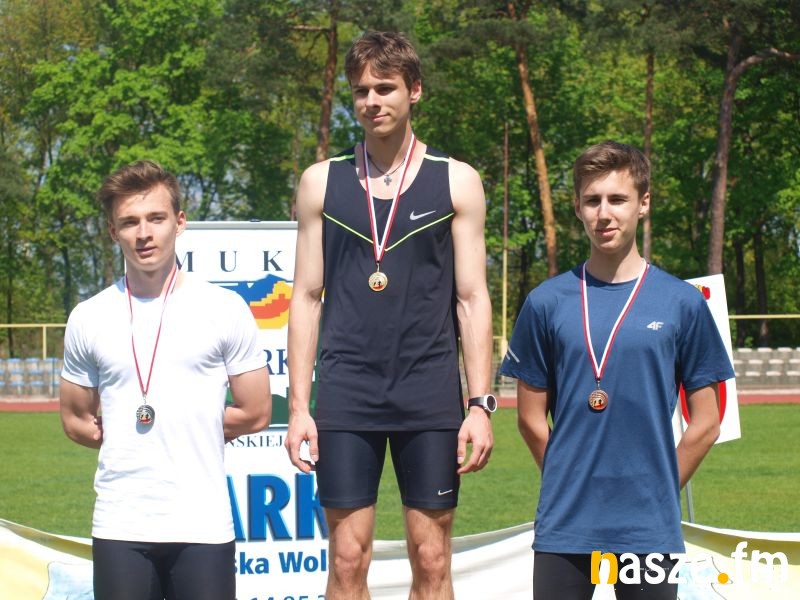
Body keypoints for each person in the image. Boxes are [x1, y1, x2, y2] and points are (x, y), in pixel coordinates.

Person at [285, 31, 495, 599]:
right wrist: (299, 407)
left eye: (385, 88)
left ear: (415, 90)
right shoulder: (320, 182)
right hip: (347, 390)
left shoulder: (457, 180)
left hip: (428, 389)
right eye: (361, 91)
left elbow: (472, 298)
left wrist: (480, 405)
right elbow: (305, 297)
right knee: (347, 558)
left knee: (431, 558)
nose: (372, 101)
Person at [499, 140, 735, 600]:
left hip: (648, 526)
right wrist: (569, 480)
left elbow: (707, 421)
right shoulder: (545, 302)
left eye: (617, 199)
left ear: (643, 203)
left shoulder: (682, 302)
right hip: (566, 524)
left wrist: (660, 487)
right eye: (592, 200)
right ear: (577, 208)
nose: (604, 214)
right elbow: (529, 418)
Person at [59, 160, 271, 600]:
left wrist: (186, 422)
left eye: (156, 218)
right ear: (112, 232)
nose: (144, 233)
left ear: (180, 222)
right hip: (120, 523)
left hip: (202, 524)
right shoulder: (88, 317)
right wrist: (126, 432)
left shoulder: (224, 308)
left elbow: (256, 412)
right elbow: (76, 419)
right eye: (129, 222)